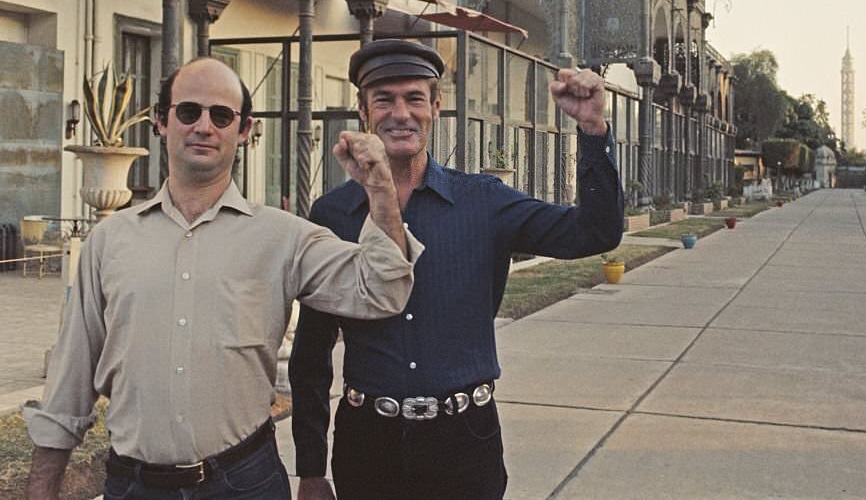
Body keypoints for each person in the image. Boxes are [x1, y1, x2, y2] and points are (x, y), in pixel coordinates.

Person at [24, 58, 422, 499]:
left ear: (245, 129)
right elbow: (73, 368)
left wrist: (381, 190)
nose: (204, 127)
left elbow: (381, 291)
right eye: (188, 112)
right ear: (161, 121)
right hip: (133, 486)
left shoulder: (283, 236)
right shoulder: (110, 240)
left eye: (221, 115)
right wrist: (43, 482)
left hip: (244, 483)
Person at [289, 39, 624, 499]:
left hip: (465, 445)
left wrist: (592, 129)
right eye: (384, 99)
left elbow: (595, 233)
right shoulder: (333, 214)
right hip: (367, 446)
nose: (400, 113)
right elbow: (311, 353)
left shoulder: (484, 201)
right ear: (363, 110)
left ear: (437, 107)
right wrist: (310, 469)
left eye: (415, 98)